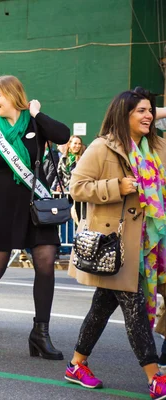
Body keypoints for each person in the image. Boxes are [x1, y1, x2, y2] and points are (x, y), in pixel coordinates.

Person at [0, 75, 70, 358]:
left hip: (35, 205)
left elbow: (63, 135)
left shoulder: (35, 124)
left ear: (13, 94)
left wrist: (37, 113)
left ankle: (40, 333)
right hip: (2, 204)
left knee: (45, 264)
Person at [64, 88, 166, 398]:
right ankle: (154, 376)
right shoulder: (102, 147)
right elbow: (77, 186)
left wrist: (155, 110)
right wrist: (116, 186)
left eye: (151, 110)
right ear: (124, 115)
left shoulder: (156, 145)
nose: (149, 115)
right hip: (119, 243)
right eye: (141, 111)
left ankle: (76, 364)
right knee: (134, 307)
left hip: (151, 242)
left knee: (102, 307)